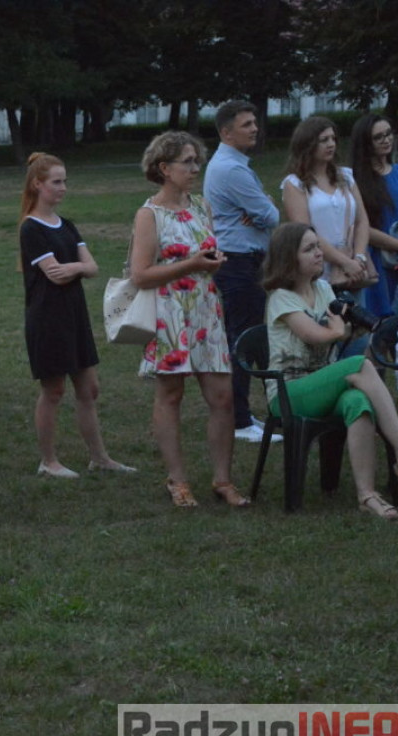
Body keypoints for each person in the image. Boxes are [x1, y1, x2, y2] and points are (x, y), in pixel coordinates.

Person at [129, 131, 249, 508]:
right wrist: (193, 263)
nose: (196, 168)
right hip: (169, 312)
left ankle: (223, 479)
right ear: (164, 168)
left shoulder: (201, 206)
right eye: (187, 162)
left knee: (223, 397)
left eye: (197, 161)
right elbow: (140, 274)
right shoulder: (150, 214)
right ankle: (177, 480)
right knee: (171, 394)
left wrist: (210, 264)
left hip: (205, 309)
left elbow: (205, 254)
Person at [263, 222, 398, 518]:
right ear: (289, 258)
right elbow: (318, 335)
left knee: (358, 403)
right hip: (289, 392)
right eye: (309, 249)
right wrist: (338, 329)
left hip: (322, 383)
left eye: (318, 246)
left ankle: (368, 495)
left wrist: (351, 327)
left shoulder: (323, 289)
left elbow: (340, 328)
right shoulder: (280, 298)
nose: (318, 253)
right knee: (360, 365)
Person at [19, 153, 134, 478]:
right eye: (56, 181)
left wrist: (76, 267)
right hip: (48, 318)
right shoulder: (31, 228)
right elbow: (54, 275)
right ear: (37, 184)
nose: (63, 188)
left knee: (89, 389)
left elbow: (93, 267)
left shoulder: (66, 225)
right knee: (53, 390)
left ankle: (100, 457)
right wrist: (78, 268)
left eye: (64, 181)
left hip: (74, 316)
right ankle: (48, 460)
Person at [203, 100, 283, 444]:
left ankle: (243, 415)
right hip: (239, 262)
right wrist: (262, 207)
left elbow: (263, 211)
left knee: (242, 336)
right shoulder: (231, 169)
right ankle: (239, 420)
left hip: (240, 259)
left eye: (254, 122)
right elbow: (272, 216)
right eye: (247, 124)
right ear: (226, 132)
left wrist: (261, 207)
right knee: (243, 339)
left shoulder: (232, 165)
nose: (254, 128)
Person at [282, 116, 374, 296]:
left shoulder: (346, 176)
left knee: (357, 319)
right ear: (308, 144)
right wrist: (344, 262)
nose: (331, 144)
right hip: (316, 269)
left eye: (333, 139)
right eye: (324, 140)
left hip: (352, 266)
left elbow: (362, 221)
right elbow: (305, 230)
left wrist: (359, 257)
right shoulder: (294, 184)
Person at [350, 113, 398, 314]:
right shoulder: (355, 180)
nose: (386, 140)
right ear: (366, 143)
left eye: (388, 134)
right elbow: (359, 225)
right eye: (379, 137)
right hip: (377, 258)